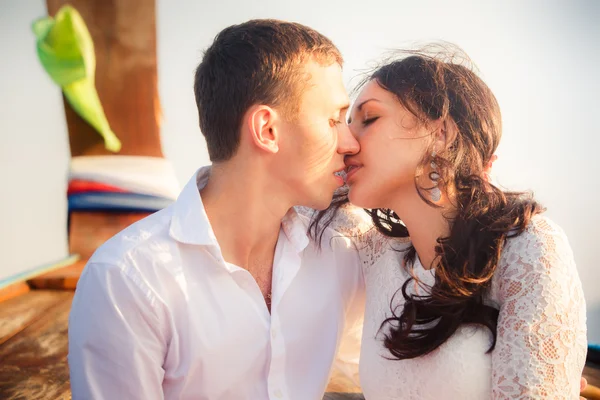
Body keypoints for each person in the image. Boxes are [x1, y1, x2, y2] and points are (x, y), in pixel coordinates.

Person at [68, 19, 365, 400]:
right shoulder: (126, 280)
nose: (351, 142)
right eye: (334, 120)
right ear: (267, 130)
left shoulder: (340, 252)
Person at [328, 48, 588, 399]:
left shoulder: (527, 248)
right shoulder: (375, 252)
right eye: (344, 124)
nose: (346, 142)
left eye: (369, 119)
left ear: (441, 134)